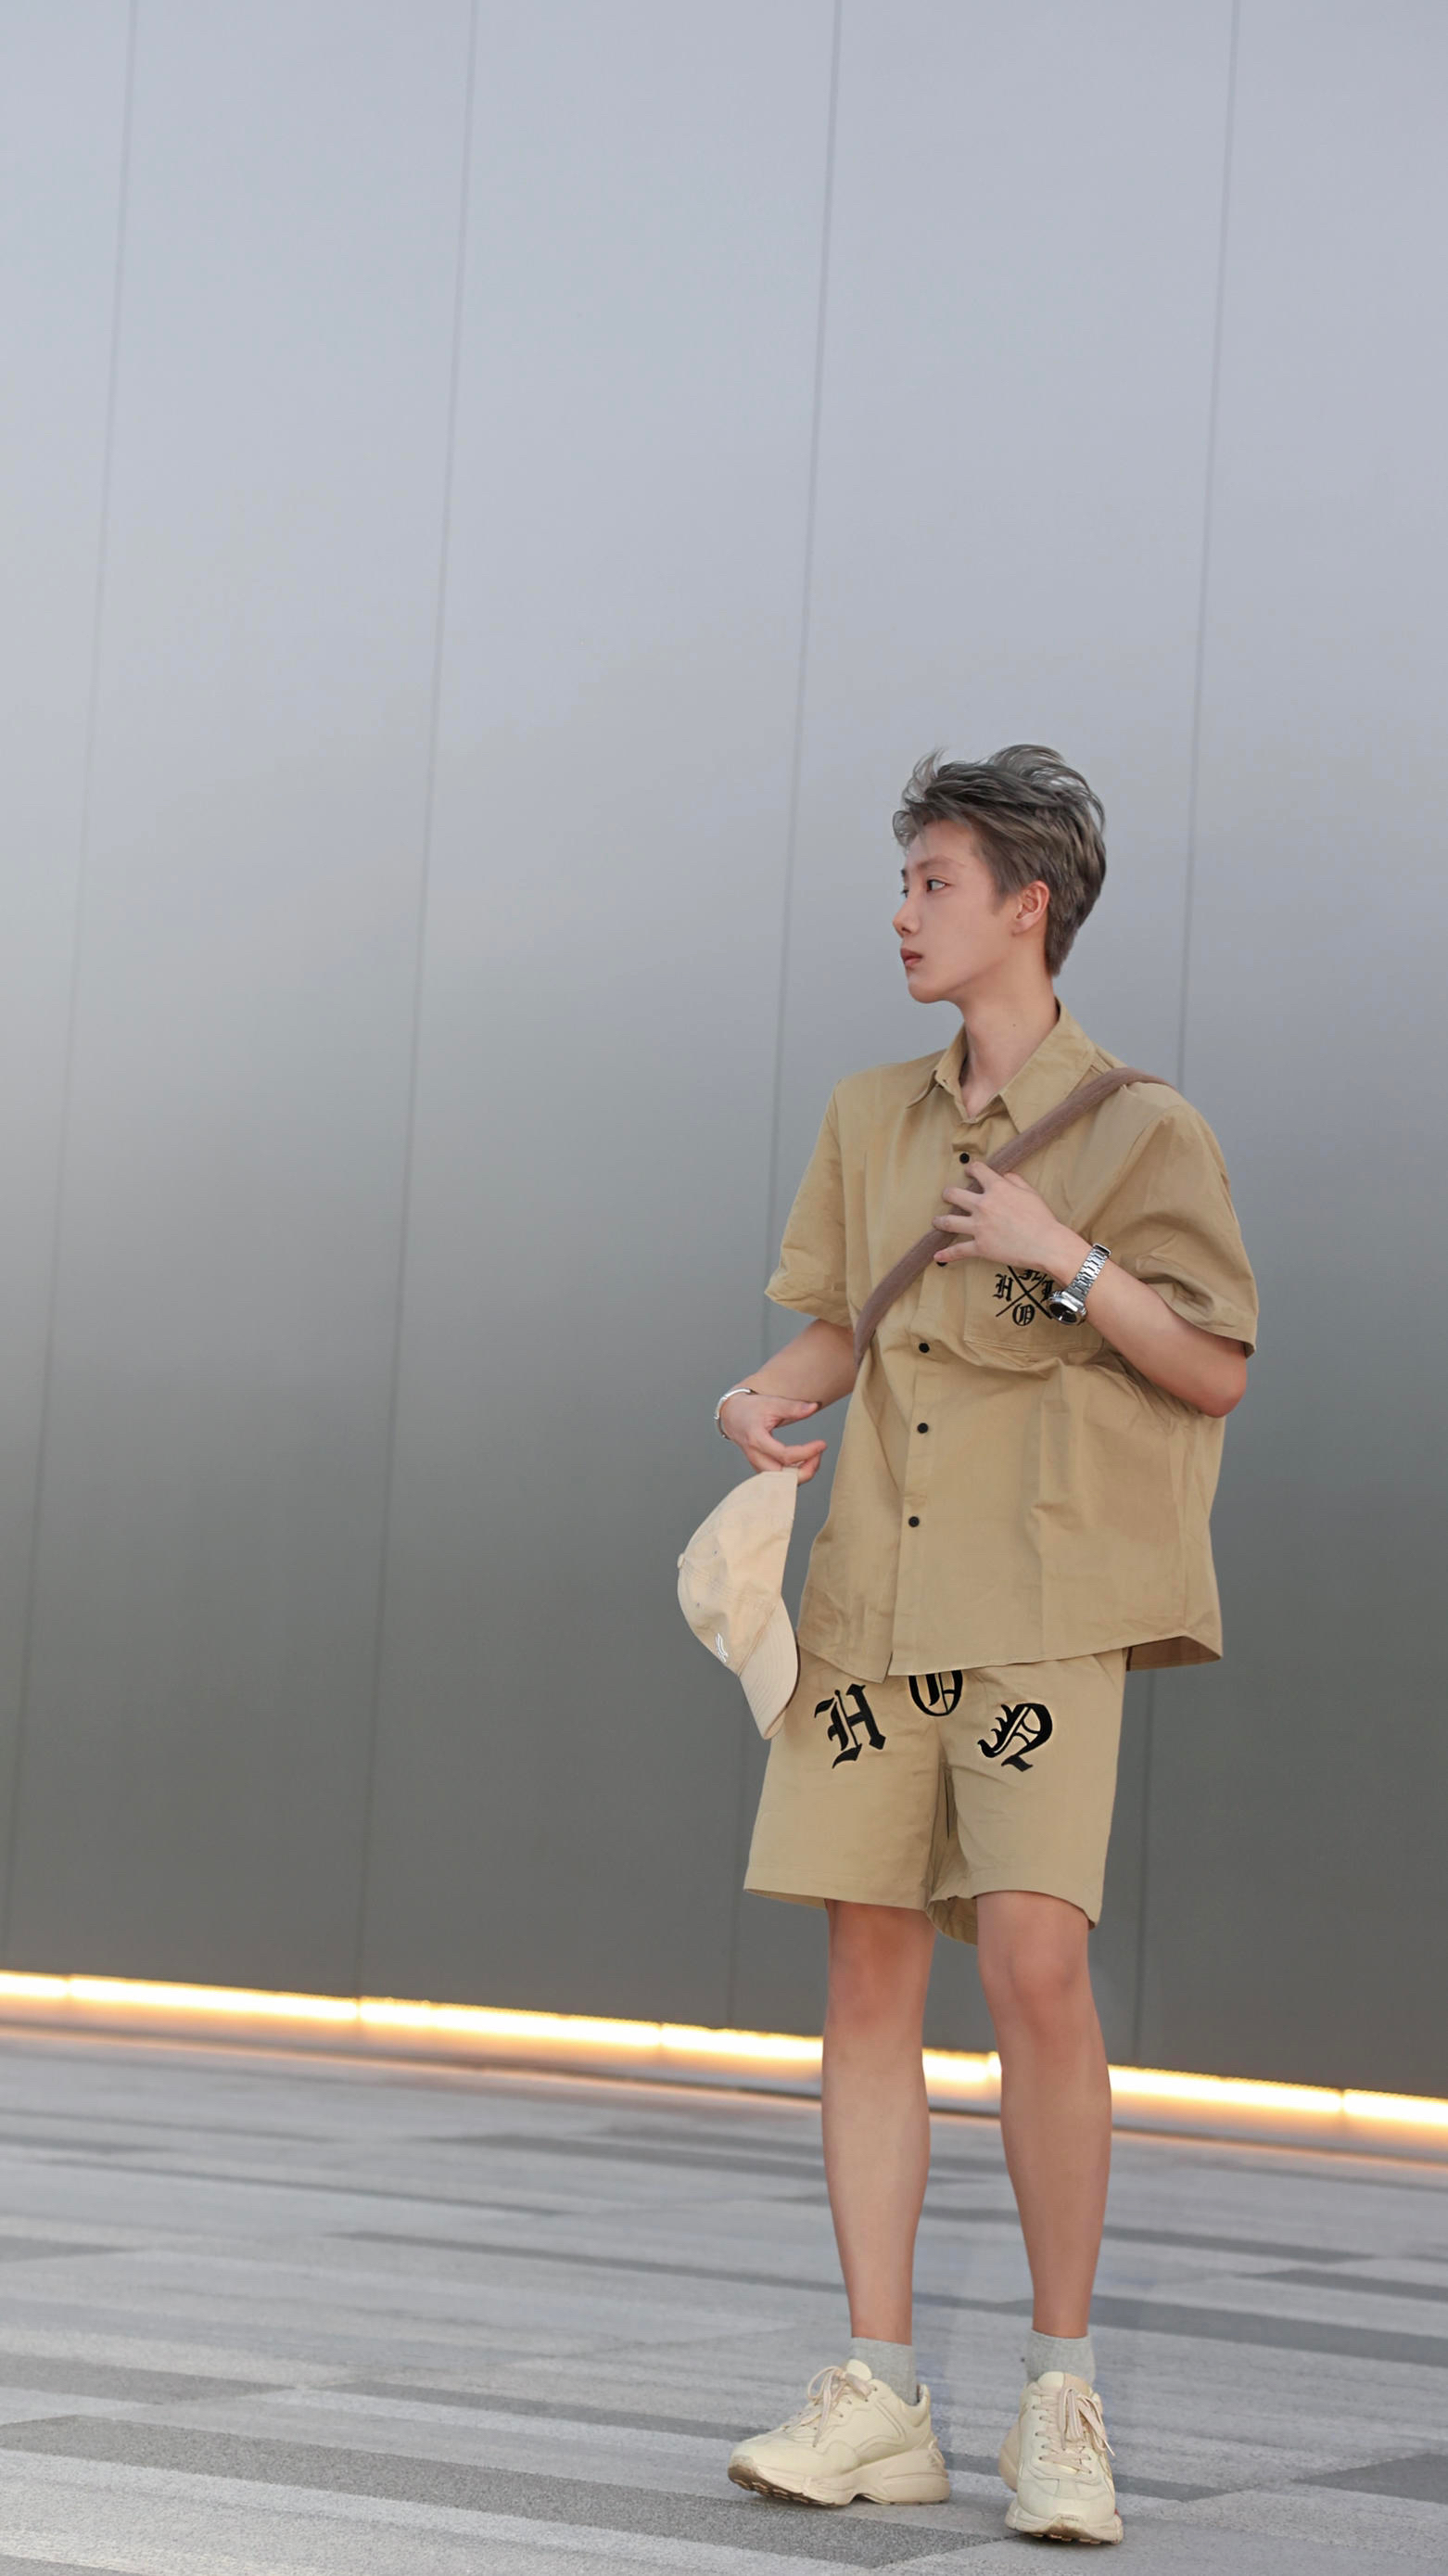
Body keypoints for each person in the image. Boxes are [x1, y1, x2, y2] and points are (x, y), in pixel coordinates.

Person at [718, 747, 1257, 2544]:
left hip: (1039, 1608)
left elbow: (1215, 1366)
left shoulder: (1144, 1130)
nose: (900, 914)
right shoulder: (867, 1118)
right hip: (871, 1603)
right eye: (903, 883)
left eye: (931, 883)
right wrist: (761, 1392)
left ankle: (1058, 2395)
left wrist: (1063, 1253)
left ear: (1026, 904)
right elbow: (837, 1329)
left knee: (1033, 1965)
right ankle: (878, 2388)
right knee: (866, 1974)